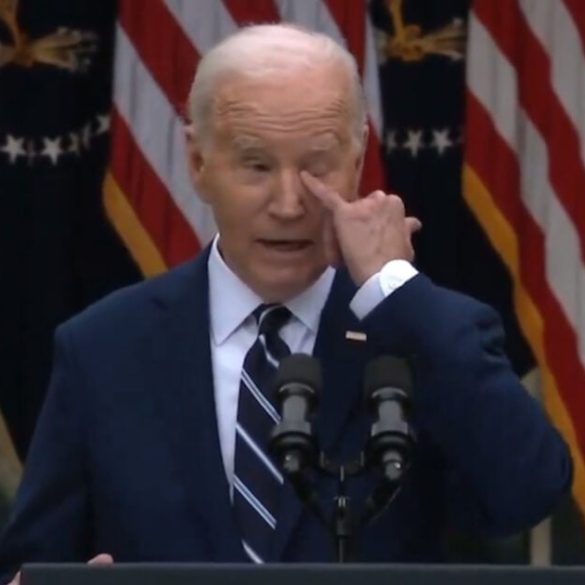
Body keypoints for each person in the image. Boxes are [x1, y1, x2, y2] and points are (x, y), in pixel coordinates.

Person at [0, 23, 572, 583]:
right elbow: (30, 563)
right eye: (256, 166)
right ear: (198, 163)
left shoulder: (419, 331)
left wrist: (394, 286)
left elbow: (527, 491)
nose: (288, 203)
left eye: (316, 166)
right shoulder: (102, 348)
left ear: (357, 160)